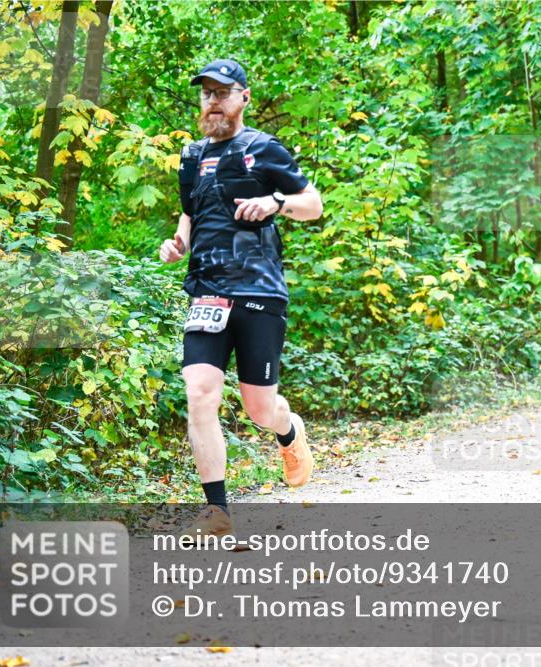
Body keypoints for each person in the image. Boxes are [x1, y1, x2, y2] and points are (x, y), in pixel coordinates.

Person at [159, 59, 324, 539]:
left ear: (243, 98)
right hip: (207, 291)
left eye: (222, 92)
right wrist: (178, 244)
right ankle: (218, 511)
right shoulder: (191, 157)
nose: (213, 101)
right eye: (206, 93)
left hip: (258, 291)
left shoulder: (263, 148)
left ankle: (288, 430)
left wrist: (276, 203)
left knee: (259, 410)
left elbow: (313, 205)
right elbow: (190, 214)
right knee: (199, 392)